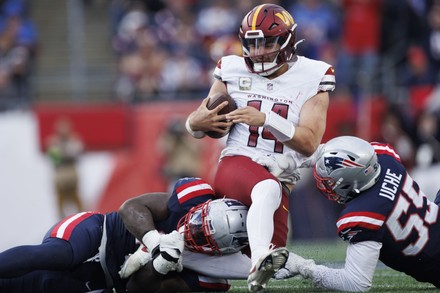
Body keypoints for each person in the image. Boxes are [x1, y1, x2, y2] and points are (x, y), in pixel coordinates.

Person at [185, 3, 335, 291]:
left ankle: (177, 254)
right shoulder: (230, 68)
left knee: (274, 264)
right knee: (267, 198)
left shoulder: (313, 75)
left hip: (280, 175)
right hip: (237, 163)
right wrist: (193, 123)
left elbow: (308, 143)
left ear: (288, 41)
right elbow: (202, 123)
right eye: (252, 44)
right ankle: (259, 259)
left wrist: (267, 119)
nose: (258, 52)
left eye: (267, 42)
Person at [0, 177, 250, 293]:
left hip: (106, 282)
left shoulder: (214, 279)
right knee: (57, 255)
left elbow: (137, 288)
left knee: (45, 285)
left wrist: (160, 265)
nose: (192, 229)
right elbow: (129, 207)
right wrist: (153, 242)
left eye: (203, 236)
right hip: (98, 232)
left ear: (218, 251)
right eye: (199, 219)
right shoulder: (192, 197)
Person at [278, 136, 440, 291]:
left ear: (347, 182)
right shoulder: (384, 157)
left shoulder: (363, 214)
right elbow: (334, 152)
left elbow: (355, 283)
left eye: (328, 181)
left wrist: (304, 267)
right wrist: (292, 161)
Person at [46, 117, 84, 219]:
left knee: (76, 200)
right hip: (60, 177)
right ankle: (61, 221)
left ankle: (82, 218)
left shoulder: (74, 140)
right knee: (60, 202)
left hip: (71, 175)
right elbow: (55, 159)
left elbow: (76, 154)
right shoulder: (53, 142)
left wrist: (64, 154)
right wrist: (65, 154)